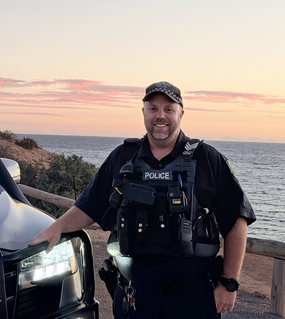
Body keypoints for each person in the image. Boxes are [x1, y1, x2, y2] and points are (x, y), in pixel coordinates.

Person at [29, 81, 255, 319]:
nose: (160, 116)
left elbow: (237, 220)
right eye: (153, 108)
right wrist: (57, 227)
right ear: (144, 112)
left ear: (181, 114)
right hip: (134, 297)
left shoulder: (207, 158)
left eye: (168, 109)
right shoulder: (124, 157)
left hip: (194, 298)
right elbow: (89, 206)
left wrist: (229, 283)